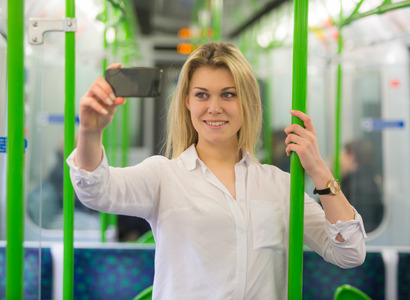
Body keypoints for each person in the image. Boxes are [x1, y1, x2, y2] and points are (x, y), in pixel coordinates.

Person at [67, 42, 366, 299]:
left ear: (247, 102)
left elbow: (349, 252)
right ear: (186, 101)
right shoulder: (164, 177)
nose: (214, 107)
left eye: (228, 94)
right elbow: (96, 189)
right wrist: (90, 133)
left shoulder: (279, 186)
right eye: (201, 95)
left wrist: (318, 170)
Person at [340, 139, 383, 233]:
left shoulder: (357, 186)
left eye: (343, 155)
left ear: (351, 157)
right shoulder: (367, 180)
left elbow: (361, 226)